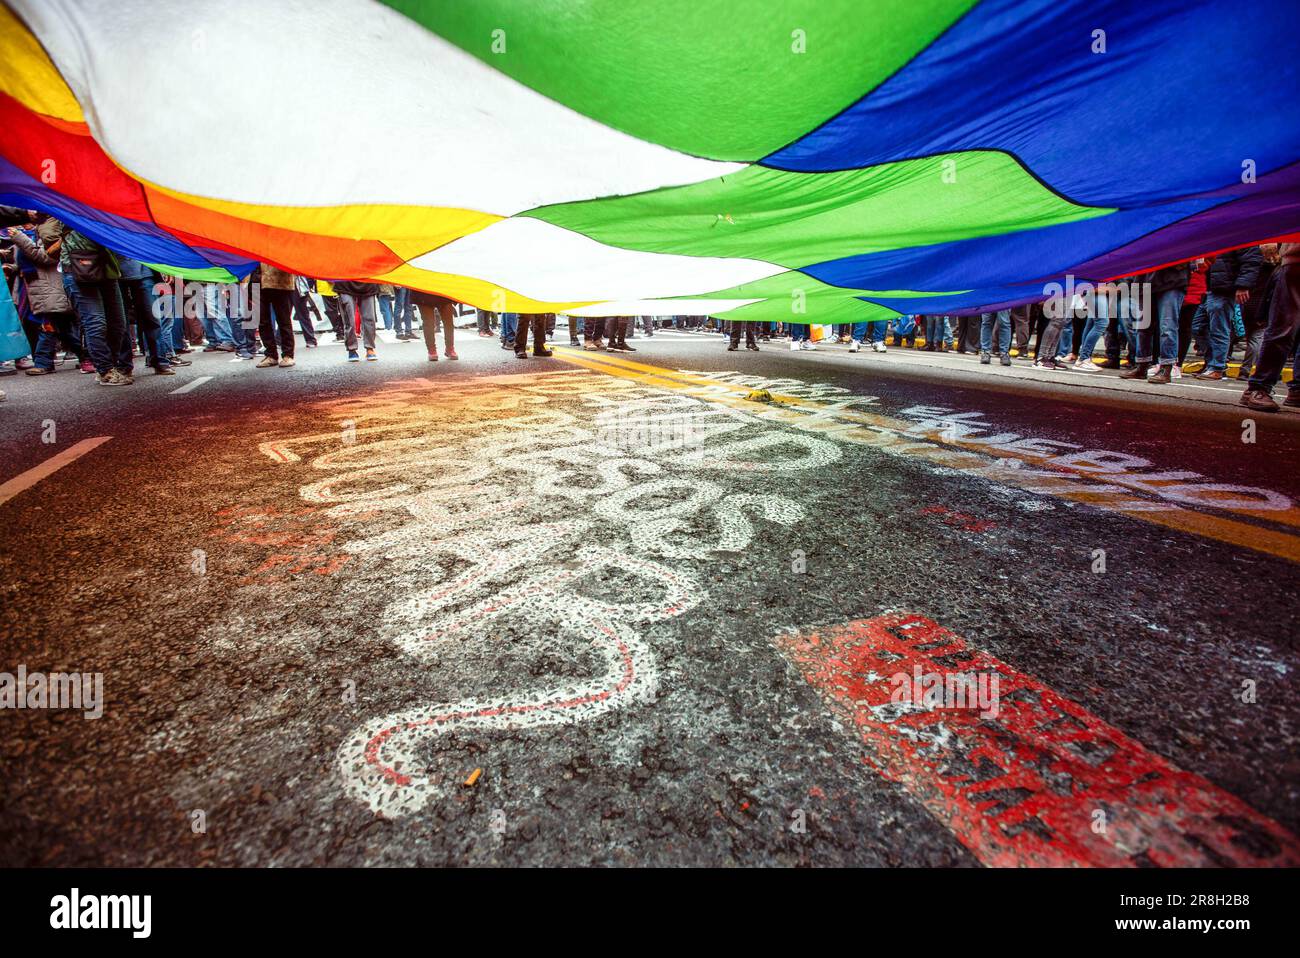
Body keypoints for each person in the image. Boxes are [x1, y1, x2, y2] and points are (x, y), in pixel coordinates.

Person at [5, 221, 87, 376]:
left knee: (49, 325)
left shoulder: (48, 232)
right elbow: (25, 261)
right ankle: (85, 355)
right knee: (61, 327)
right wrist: (12, 267)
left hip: (50, 286)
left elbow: (46, 257)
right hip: (36, 288)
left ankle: (44, 362)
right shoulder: (33, 234)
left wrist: (19, 237)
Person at [60, 227, 134, 385]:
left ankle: (110, 366)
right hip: (79, 269)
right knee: (96, 322)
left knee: (118, 323)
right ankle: (105, 370)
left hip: (107, 270)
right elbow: (48, 234)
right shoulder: (62, 207)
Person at [1240, 243, 1300, 412]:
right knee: (1283, 328)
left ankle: (1297, 389)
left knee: (1284, 328)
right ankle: (1258, 387)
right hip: (1296, 263)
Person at [1190, 246, 1261, 380]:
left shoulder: (1241, 234)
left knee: (1219, 329)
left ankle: (1217, 367)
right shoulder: (1220, 235)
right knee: (1197, 326)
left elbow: (1251, 260)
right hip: (1212, 287)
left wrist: (1243, 286)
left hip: (1225, 287)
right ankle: (1212, 363)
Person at [1121, 263, 1190, 384]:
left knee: (1167, 326)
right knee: (1143, 327)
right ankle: (1142, 366)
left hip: (1171, 280)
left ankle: (1166, 368)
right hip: (1144, 281)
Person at [256, 263, 297, 368]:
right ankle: (271, 354)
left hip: (279, 279)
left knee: (283, 319)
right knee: (262, 320)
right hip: (255, 279)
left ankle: (288, 355)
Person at [408, 290, 459, 361]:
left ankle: (450, 348)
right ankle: (432, 350)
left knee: (449, 321)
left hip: (443, 291)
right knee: (428, 322)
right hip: (423, 292)